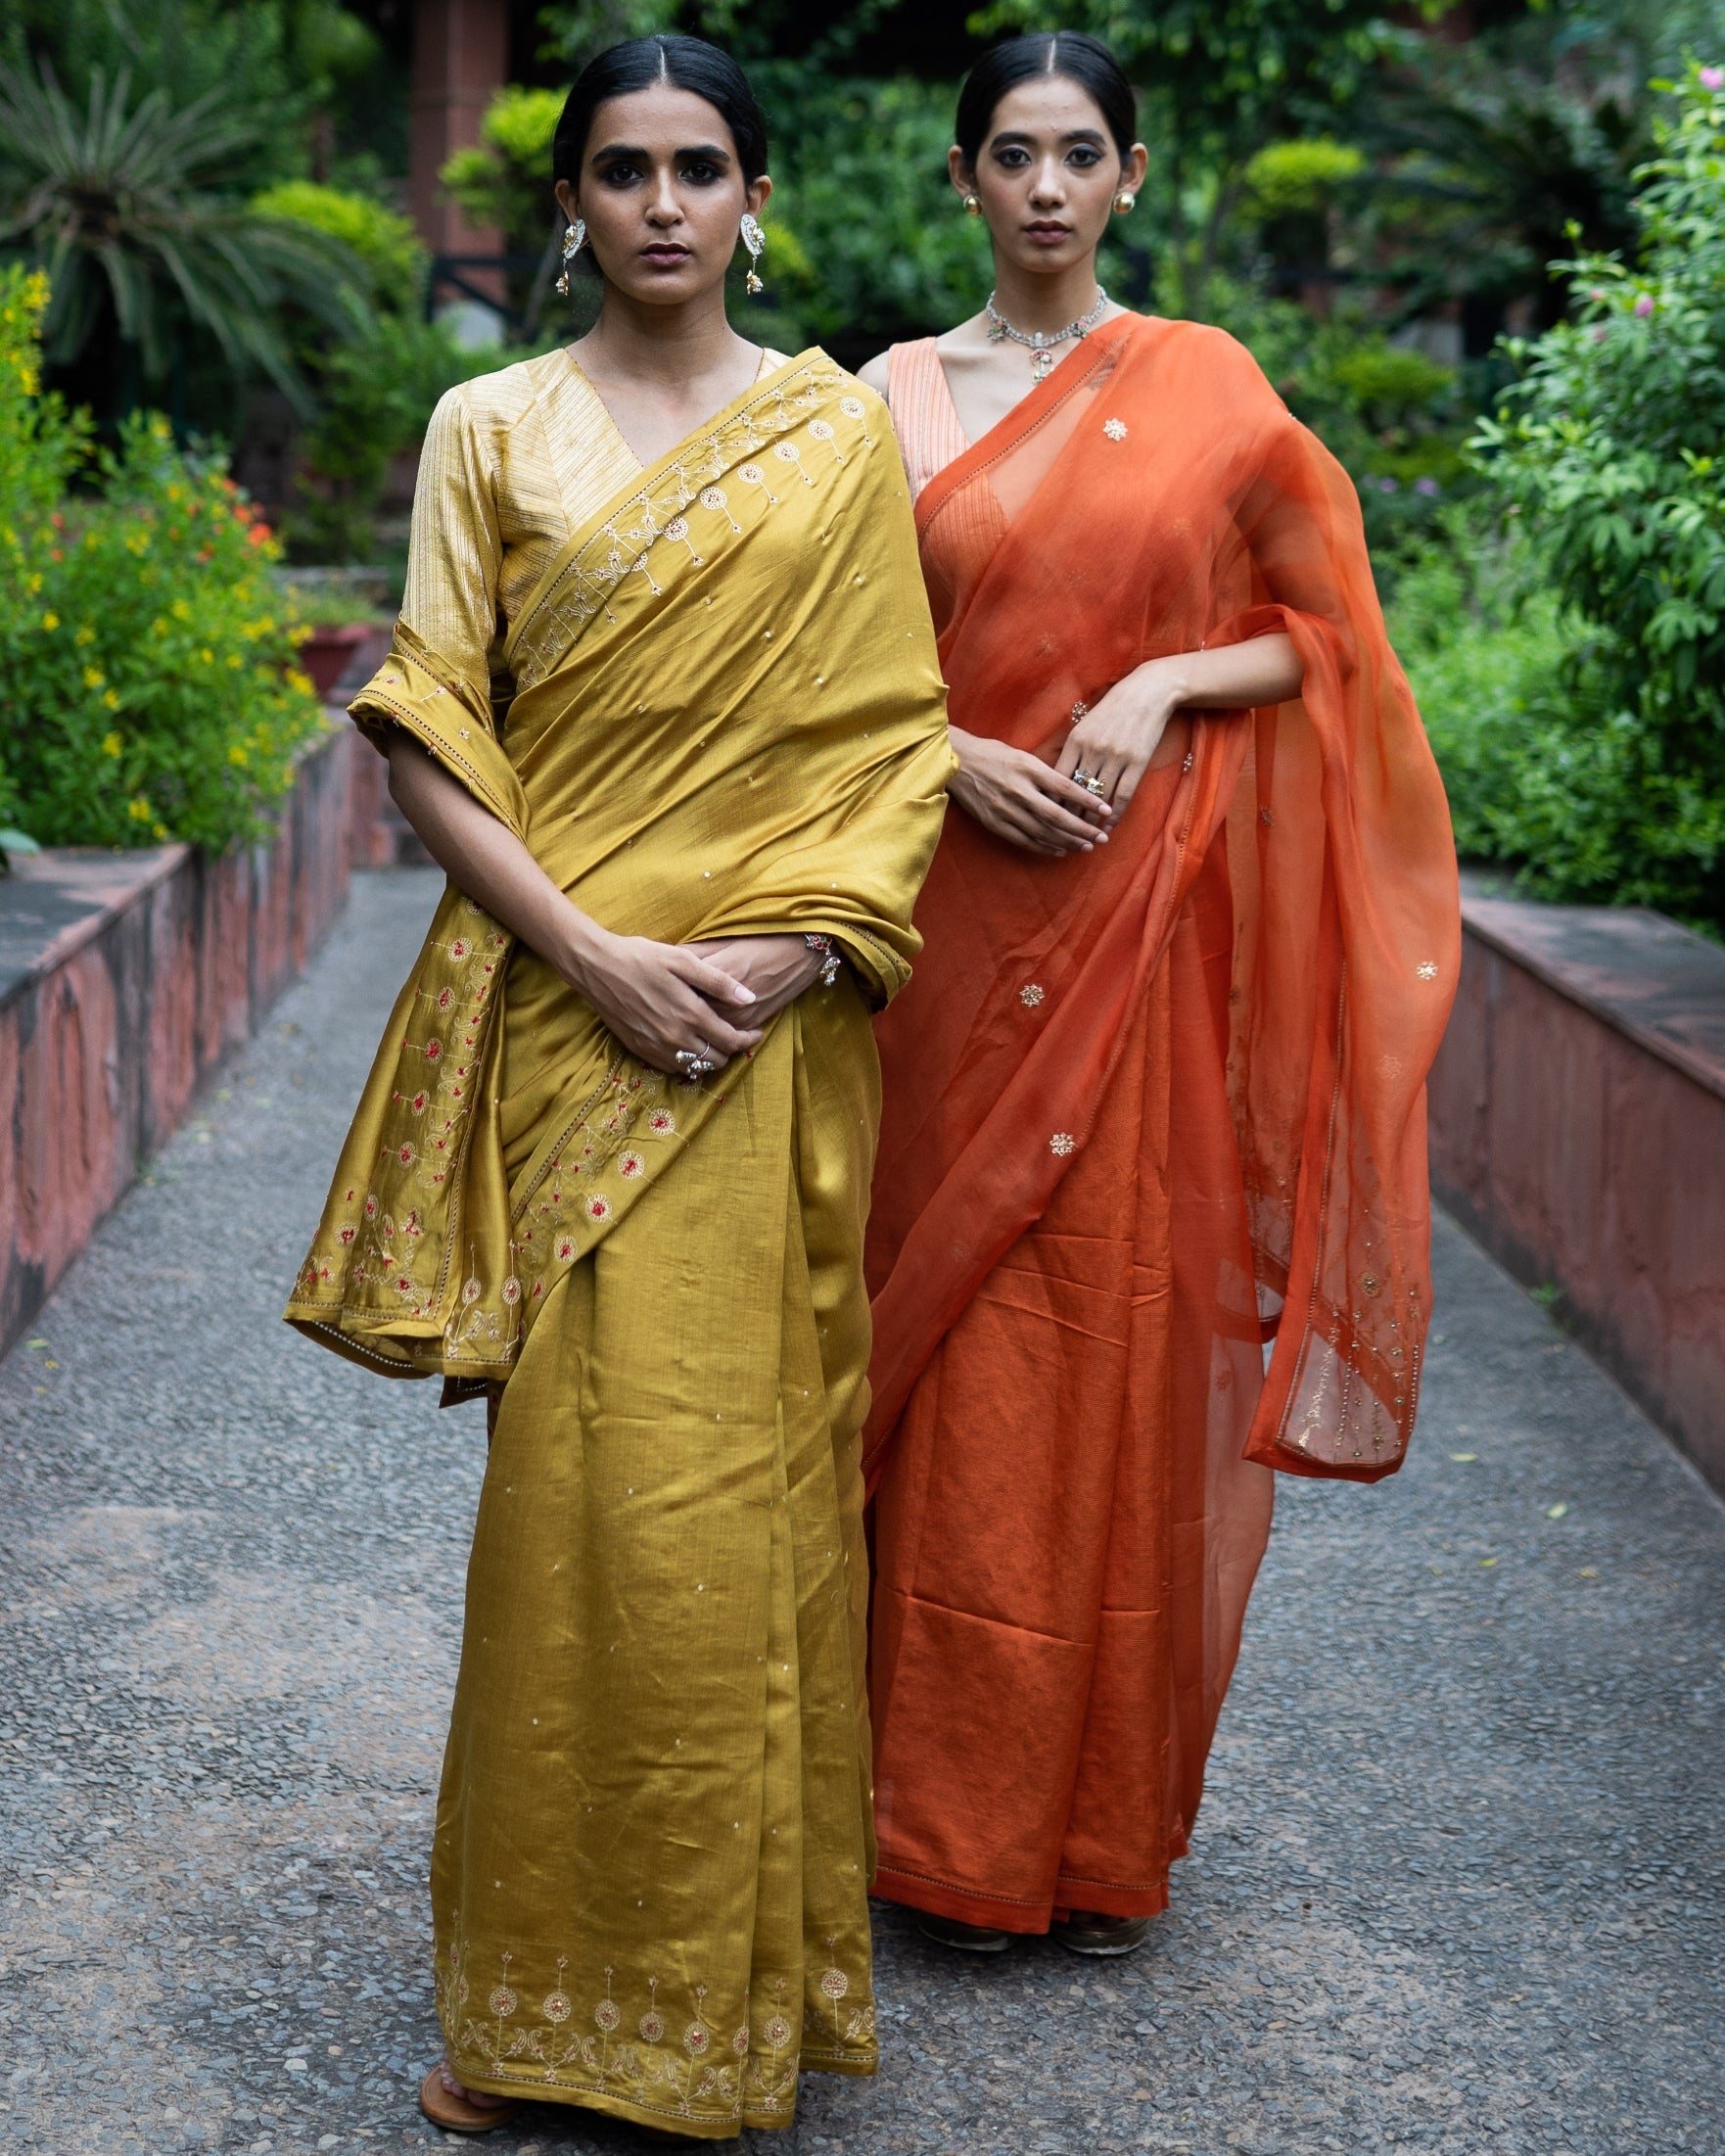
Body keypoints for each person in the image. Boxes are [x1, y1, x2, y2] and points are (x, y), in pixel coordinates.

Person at [285, 33, 953, 2139]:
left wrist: (765, 960)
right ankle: (541, 2016)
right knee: (577, 1520)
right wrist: (598, 957)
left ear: (759, 197)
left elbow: (888, 736)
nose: (660, 204)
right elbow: (426, 727)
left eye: (699, 168)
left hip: (762, 1035)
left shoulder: (829, 436)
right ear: (567, 201)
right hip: (574, 1022)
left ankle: (729, 2011)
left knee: (746, 1501)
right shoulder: (490, 425)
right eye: (619, 170)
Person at [858, 31, 1459, 1960]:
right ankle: (899, 1813)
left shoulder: (1205, 391)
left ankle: (1067, 1822)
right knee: (929, 1356)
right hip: (938, 935)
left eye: (1077, 155)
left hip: (1130, 945)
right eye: (1010, 154)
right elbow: (833, 663)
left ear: (1130, 174)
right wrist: (945, 754)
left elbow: (1323, 641)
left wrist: (1155, 685)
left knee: (1088, 1364)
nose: (1043, 186)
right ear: (959, 176)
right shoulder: (880, 398)